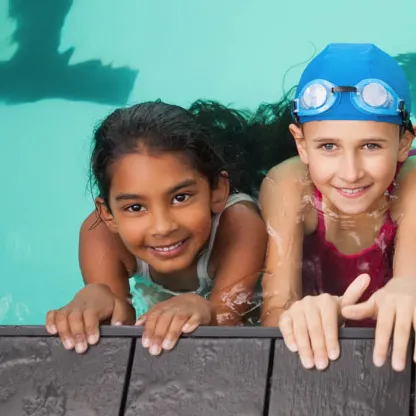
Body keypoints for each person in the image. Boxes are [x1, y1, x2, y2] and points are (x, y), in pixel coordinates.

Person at [258, 43, 416, 372]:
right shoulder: (287, 185)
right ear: (301, 143)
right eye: (328, 146)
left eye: (371, 146)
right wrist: (296, 316)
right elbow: (275, 310)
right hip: (320, 351)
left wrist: (409, 290)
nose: (350, 172)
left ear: (404, 143)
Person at [47, 100, 267, 356]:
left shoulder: (240, 225)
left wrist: (208, 309)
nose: (162, 227)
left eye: (180, 197)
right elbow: (122, 341)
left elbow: (229, 326)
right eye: (135, 207)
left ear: (217, 191)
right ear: (107, 213)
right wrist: (100, 299)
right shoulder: (100, 234)